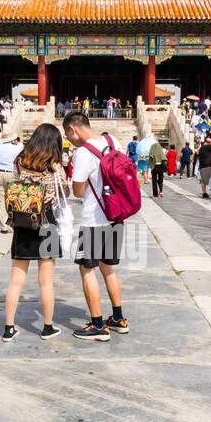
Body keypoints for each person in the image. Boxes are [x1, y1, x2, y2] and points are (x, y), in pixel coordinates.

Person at [63, 110, 129, 341]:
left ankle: (98, 324)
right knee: (107, 267)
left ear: (73, 129)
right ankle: (119, 318)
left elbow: (78, 190)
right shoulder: (113, 141)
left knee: (86, 268)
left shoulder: (82, 153)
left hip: (94, 218)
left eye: (67, 135)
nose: (68, 140)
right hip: (116, 214)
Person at [0, 123, 66, 343]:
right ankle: (47, 327)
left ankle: (8, 328)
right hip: (47, 222)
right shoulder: (54, 164)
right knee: (46, 282)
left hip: (22, 220)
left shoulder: (20, 159)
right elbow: (61, 192)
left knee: (16, 281)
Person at [0, 132, 23, 234]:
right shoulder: (17, 148)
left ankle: (4, 226)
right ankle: (15, 222)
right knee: (13, 199)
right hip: (11, 174)